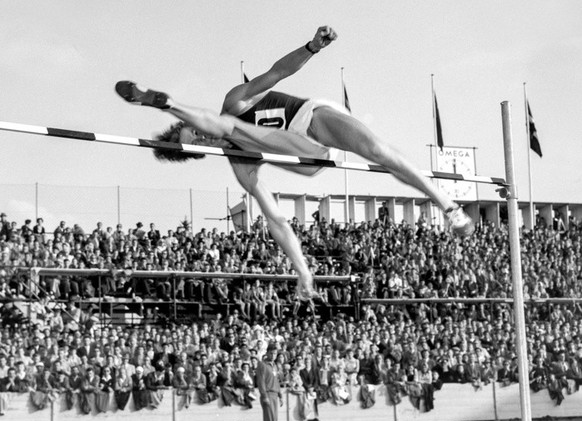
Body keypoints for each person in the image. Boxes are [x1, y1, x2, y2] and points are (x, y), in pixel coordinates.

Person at [115, 26, 474, 298]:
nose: (204, 137)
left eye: (197, 131)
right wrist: (302, 270)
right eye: (201, 141)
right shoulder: (240, 166)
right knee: (231, 135)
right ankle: (166, 103)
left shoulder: (235, 100)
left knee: (381, 154)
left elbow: (277, 72)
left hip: (313, 121)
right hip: (303, 156)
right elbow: (277, 220)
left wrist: (312, 48)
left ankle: (448, 206)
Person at [255, 342, 283, 421]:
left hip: (275, 394)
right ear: (267, 353)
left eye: (275, 353)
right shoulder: (262, 364)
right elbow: (260, 382)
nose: (273, 355)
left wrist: (280, 395)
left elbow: (276, 381)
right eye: (271, 353)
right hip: (268, 394)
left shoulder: (275, 365)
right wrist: (264, 396)